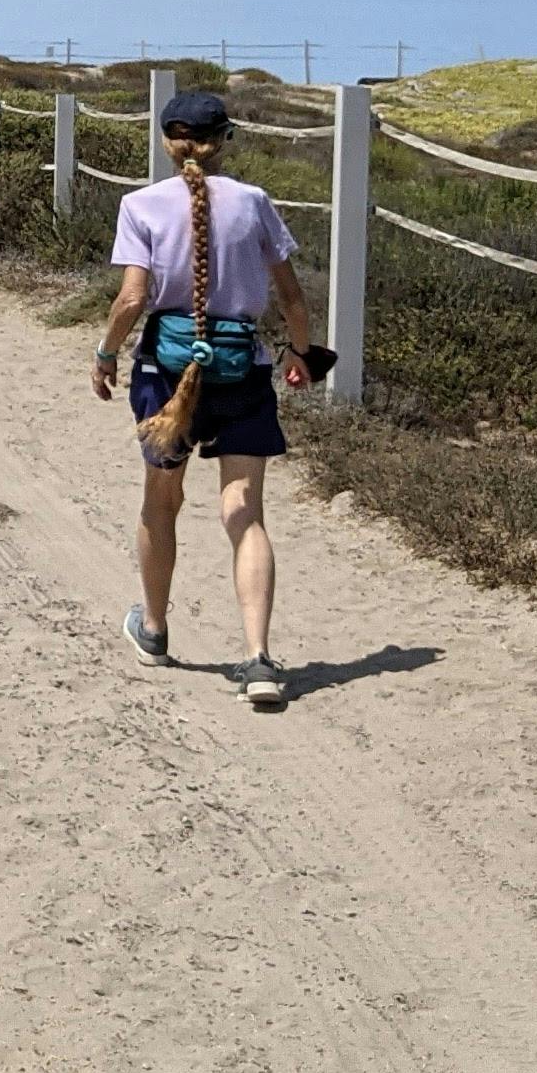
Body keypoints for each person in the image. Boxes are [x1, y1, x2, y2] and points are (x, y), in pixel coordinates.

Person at [91, 88, 318, 708]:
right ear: (224, 141)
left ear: (169, 139)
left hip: (166, 377)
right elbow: (293, 299)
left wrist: (107, 354)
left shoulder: (138, 205)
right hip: (243, 371)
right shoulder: (255, 203)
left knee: (160, 500)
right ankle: (258, 659)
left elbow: (132, 299)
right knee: (244, 511)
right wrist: (300, 354)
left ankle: (156, 627)